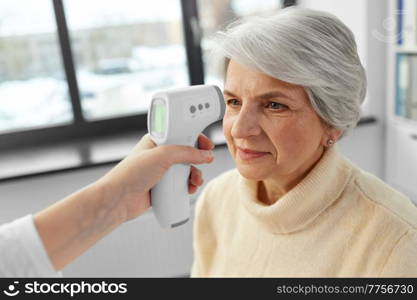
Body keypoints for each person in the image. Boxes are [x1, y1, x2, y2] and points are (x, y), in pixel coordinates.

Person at [191, 7, 417, 277]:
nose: (240, 129)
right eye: (234, 102)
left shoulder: (396, 240)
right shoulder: (217, 199)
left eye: (274, 105)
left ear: (332, 122)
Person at [0, 134, 215, 277]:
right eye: (233, 102)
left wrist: (120, 196)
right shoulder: (215, 197)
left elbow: (14, 259)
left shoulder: (216, 194)